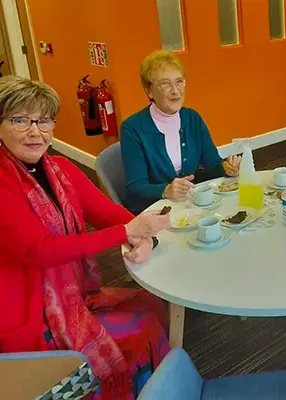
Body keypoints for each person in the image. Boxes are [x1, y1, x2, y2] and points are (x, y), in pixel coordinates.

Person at [0, 76, 172, 399]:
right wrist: (127, 233)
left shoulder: (61, 168)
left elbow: (109, 213)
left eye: (44, 120)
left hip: (71, 297)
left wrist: (146, 237)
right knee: (142, 328)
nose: (36, 132)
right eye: (20, 120)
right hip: (29, 315)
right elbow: (40, 251)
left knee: (150, 305)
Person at [121, 50, 241, 214]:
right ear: (149, 91)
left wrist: (227, 167)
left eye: (179, 82)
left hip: (189, 204)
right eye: (165, 84)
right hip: (154, 211)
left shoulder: (192, 118)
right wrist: (165, 190)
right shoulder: (132, 128)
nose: (175, 91)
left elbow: (212, 164)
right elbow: (135, 187)